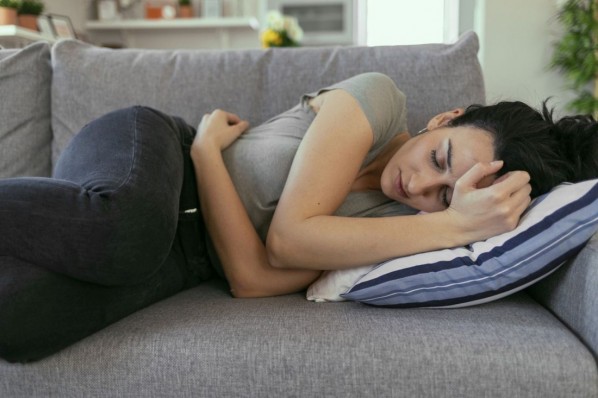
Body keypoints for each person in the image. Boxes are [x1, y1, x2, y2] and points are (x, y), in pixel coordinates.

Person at [0, 73, 596, 363]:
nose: (419, 186)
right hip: (151, 157)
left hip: (183, 252)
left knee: (24, 325)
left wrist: (212, 157)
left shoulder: (404, 235)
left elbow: (252, 279)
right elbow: (288, 240)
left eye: (445, 197)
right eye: (439, 159)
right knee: (124, 233)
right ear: (446, 117)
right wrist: (198, 151)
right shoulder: (377, 101)